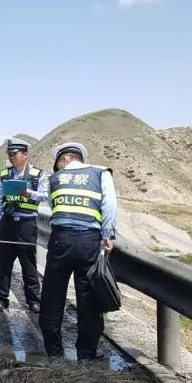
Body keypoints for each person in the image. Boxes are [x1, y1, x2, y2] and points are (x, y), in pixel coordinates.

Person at [38, 142, 117, 361]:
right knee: (88, 297)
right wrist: (108, 235)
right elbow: (109, 205)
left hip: (60, 240)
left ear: (64, 159)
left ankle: (54, 352)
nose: (58, 168)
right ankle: (87, 353)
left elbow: (51, 206)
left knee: (52, 296)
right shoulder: (101, 173)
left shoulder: (53, 179)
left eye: (58, 164)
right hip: (88, 242)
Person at [0, 138, 46, 313]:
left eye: (15, 154)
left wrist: (30, 194)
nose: (12, 157)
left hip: (27, 225)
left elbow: (46, 196)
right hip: (7, 223)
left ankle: (33, 300)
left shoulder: (37, 175)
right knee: (3, 264)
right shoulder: (5, 175)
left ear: (25, 154)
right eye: (10, 154)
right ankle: (1, 299)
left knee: (29, 265)